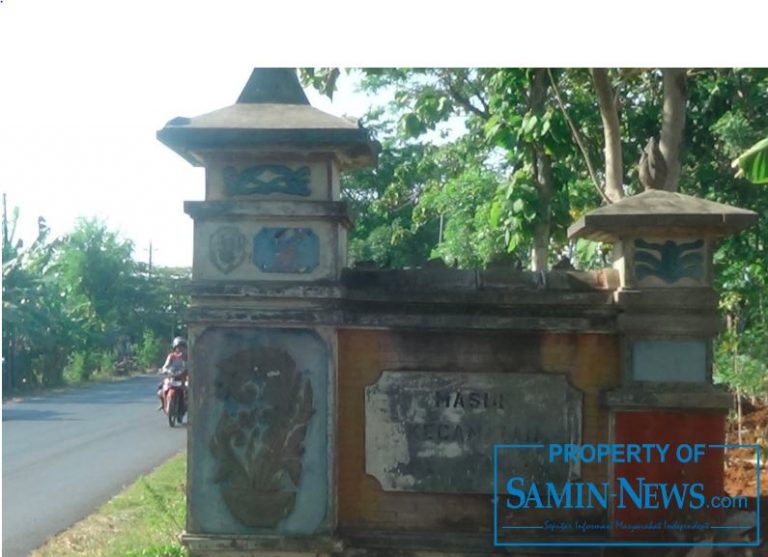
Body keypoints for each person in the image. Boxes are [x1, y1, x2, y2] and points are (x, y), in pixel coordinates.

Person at [158, 336, 187, 410]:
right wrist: (164, 369)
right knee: (160, 389)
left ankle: (186, 406)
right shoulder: (171, 356)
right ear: (175, 348)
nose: (180, 349)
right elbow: (166, 365)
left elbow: (190, 365)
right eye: (178, 347)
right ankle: (163, 404)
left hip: (183, 377)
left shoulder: (186, 357)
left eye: (182, 347)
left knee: (188, 391)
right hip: (171, 376)